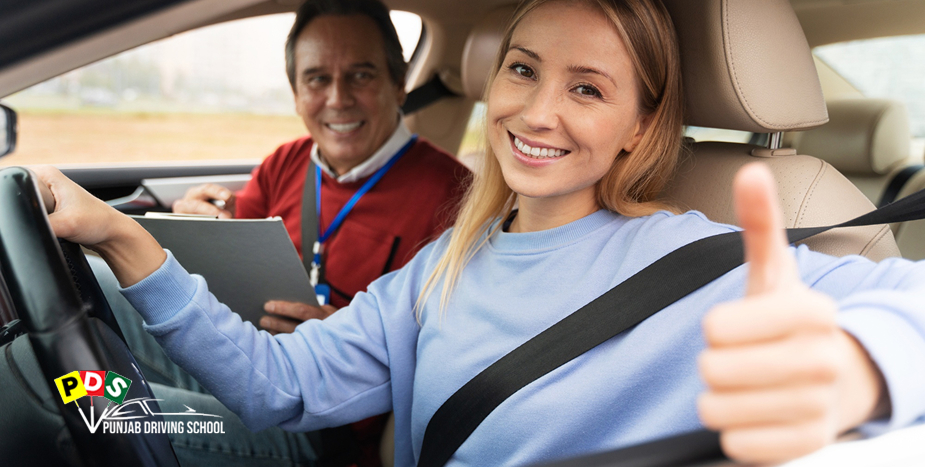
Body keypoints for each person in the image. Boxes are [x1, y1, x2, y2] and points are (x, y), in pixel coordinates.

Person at [38, 0, 925, 465]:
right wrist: (125, 239)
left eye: (586, 87)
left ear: (638, 126)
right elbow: (281, 385)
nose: (537, 110)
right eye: (523, 70)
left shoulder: (692, 257)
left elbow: (907, 302)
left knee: (67, 412)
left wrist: (858, 365)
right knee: (77, 400)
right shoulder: (450, 257)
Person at [89, 0, 468, 465]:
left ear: (399, 83)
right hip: (240, 358)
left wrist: (349, 338)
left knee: (101, 413)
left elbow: (442, 355)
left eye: (361, 74)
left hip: (330, 423)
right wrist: (201, 229)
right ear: (295, 92)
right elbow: (227, 261)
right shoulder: (285, 163)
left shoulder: (452, 197)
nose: (337, 98)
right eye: (316, 79)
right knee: (95, 280)